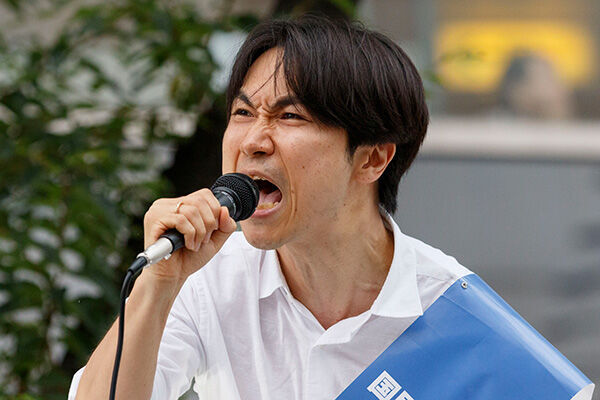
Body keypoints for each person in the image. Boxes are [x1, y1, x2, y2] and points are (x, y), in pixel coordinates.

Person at [69, 15, 594, 400]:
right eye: (243, 112)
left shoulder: (455, 317)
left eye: (290, 116)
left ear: (373, 158)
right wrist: (158, 286)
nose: (253, 140)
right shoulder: (207, 277)